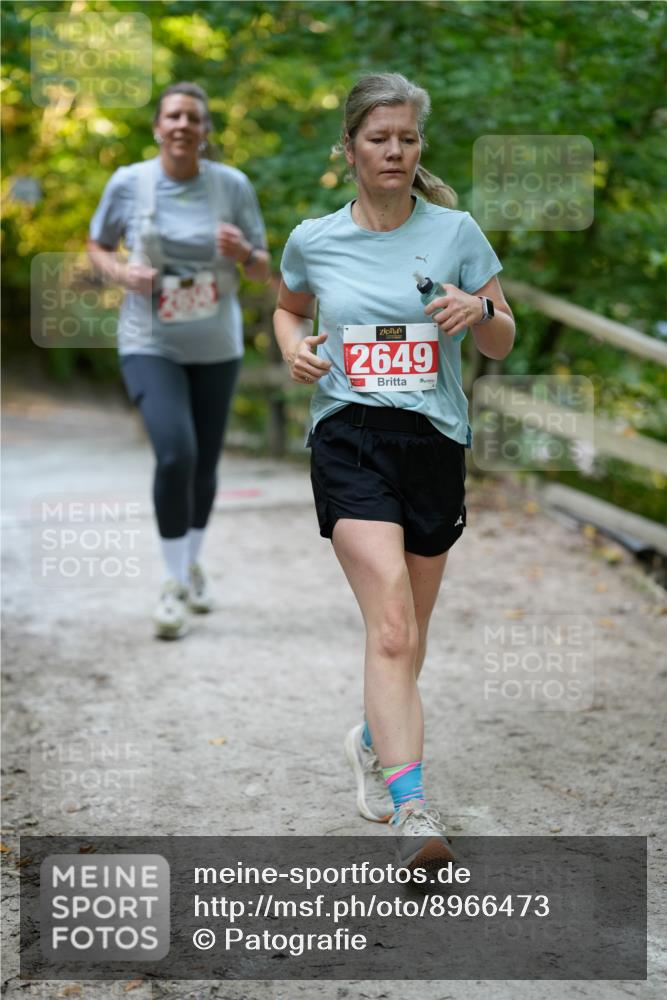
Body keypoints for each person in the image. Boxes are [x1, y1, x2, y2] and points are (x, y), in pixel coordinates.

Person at [273, 73, 515, 867]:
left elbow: (500, 338)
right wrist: (293, 348)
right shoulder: (313, 238)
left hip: (433, 444)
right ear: (348, 148)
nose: (394, 152)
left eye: (406, 139)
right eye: (378, 139)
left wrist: (476, 311)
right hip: (348, 439)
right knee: (390, 626)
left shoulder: (455, 232)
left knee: (409, 637)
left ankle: (373, 738)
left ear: (419, 146)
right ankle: (415, 810)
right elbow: (286, 306)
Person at [88, 82, 270, 639]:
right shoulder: (129, 183)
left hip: (215, 344)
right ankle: (170, 585)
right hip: (150, 340)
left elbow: (263, 268)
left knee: (206, 465)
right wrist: (121, 272)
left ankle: (191, 565)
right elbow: (96, 247)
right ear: (157, 127)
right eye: (173, 116)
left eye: (194, 117)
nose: (183, 125)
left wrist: (243, 253)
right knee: (176, 454)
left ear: (206, 130)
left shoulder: (232, 186)